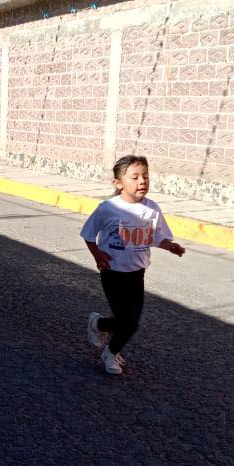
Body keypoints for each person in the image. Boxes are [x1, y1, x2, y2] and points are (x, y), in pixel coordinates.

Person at [81, 155, 185, 375]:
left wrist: (170, 246)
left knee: (130, 321)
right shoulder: (107, 208)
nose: (142, 181)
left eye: (145, 176)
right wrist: (96, 253)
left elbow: (156, 236)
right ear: (118, 183)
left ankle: (99, 324)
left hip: (137, 274)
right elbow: (88, 234)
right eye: (135, 177)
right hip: (112, 273)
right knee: (129, 323)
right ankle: (110, 352)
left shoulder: (152, 209)